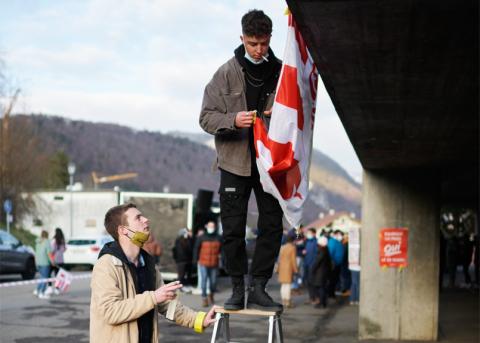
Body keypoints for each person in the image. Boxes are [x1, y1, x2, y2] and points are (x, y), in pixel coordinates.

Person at [199, 9, 283, 312]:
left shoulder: (283, 72)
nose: (258, 50)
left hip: (270, 165)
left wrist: (283, 114)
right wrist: (233, 119)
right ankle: (237, 288)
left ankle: (259, 287)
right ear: (242, 39)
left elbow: (300, 115)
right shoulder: (224, 73)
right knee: (232, 229)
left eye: (262, 43)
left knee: (272, 225)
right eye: (252, 43)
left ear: (270, 38)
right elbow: (205, 118)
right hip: (233, 164)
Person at [90, 203, 216, 342]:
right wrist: (153, 297)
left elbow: (167, 306)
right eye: (138, 218)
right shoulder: (106, 265)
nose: (146, 220)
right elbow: (111, 312)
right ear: (123, 230)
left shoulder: (148, 264)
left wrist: (200, 320)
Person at [193, 221, 222, 307]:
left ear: (215, 227)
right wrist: (195, 260)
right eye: (209, 226)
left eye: (212, 226)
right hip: (203, 263)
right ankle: (204, 298)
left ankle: (211, 294)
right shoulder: (201, 237)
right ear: (206, 227)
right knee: (204, 280)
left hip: (214, 263)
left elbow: (222, 250)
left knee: (213, 282)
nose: (211, 228)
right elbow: (196, 248)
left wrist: (222, 258)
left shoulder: (219, 237)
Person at [309, 236, 331, 309]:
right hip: (324, 273)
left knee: (320, 288)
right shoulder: (326, 250)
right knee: (322, 288)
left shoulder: (322, 252)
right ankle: (322, 302)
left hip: (320, 273)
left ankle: (322, 302)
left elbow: (317, 263)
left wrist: (312, 270)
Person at [277, 234, 298, 308]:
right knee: (288, 285)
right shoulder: (292, 248)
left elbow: (279, 259)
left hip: (282, 267)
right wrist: (296, 269)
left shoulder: (282, 247)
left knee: (283, 285)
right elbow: (293, 260)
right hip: (289, 268)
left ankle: (284, 300)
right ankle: (288, 301)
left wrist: (278, 268)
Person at [172, 228, 194, 292]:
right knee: (181, 275)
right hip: (181, 261)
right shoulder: (179, 241)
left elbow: (190, 249)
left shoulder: (187, 240)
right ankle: (179, 287)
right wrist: (178, 259)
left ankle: (185, 285)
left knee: (185, 274)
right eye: (185, 233)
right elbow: (179, 252)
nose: (186, 234)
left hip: (187, 260)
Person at [47, 227, 66, 295]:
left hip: (54, 260)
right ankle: (57, 289)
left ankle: (49, 287)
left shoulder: (54, 240)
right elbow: (64, 250)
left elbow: (51, 250)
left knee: (49, 274)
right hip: (61, 260)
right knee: (58, 275)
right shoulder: (62, 240)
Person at [34, 230, 52, 299]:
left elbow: (36, 252)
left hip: (38, 262)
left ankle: (37, 290)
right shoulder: (47, 242)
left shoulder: (38, 242)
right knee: (45, 278)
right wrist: (52, 261)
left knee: (42, 277)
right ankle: (42, 292)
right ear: (47, 235)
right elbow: (49, 253)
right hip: (45, 262)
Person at [327, 230, 345, 297]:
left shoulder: (338, 242)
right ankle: (330, 294)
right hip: (334, 264)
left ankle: (332, 293)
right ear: (336, 234)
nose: (341, 236)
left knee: (335, 279)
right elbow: (330, 253)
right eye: (340, 235)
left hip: (338, 264)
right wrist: (332, 263)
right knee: (332, 280)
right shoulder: (332, 242)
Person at [302, 228, 318, 304]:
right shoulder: (307, 241)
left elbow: (316, 255)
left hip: (312, 265)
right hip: (306, 264)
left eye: (310, 233)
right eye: (307, 233)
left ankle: (314, 298)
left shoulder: (316, 242)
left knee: (313, 282)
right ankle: (311, 297)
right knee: (308, 282)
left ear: (314, 234)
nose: (308, 234)